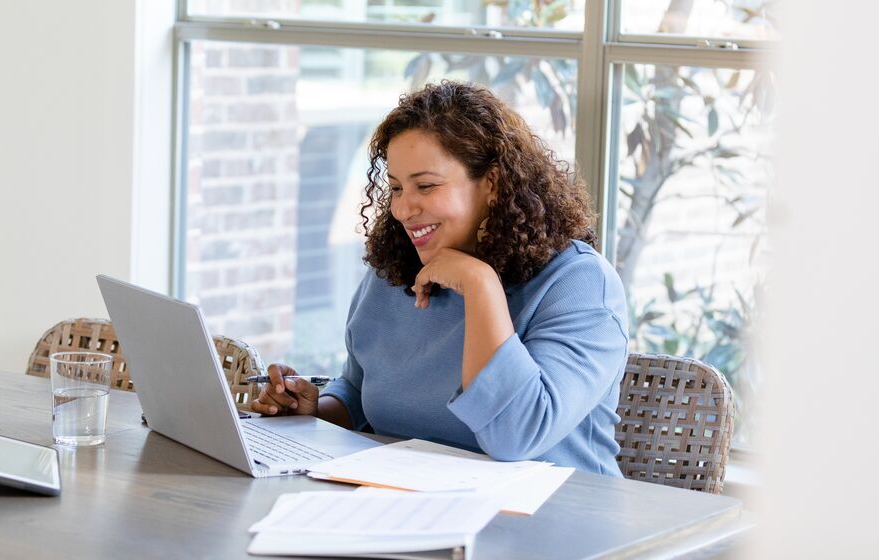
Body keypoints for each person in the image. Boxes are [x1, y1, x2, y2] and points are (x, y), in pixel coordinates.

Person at [251, 80, 628, 475]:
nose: (402, 209)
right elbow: (362, 391)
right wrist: (317, 410)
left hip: (557, 520)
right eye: (396, 187)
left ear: (494, 184)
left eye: (425, 186)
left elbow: (516, 435)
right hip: (408, 506)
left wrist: (480, 284)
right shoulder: (396, 268)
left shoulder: (579, 285)